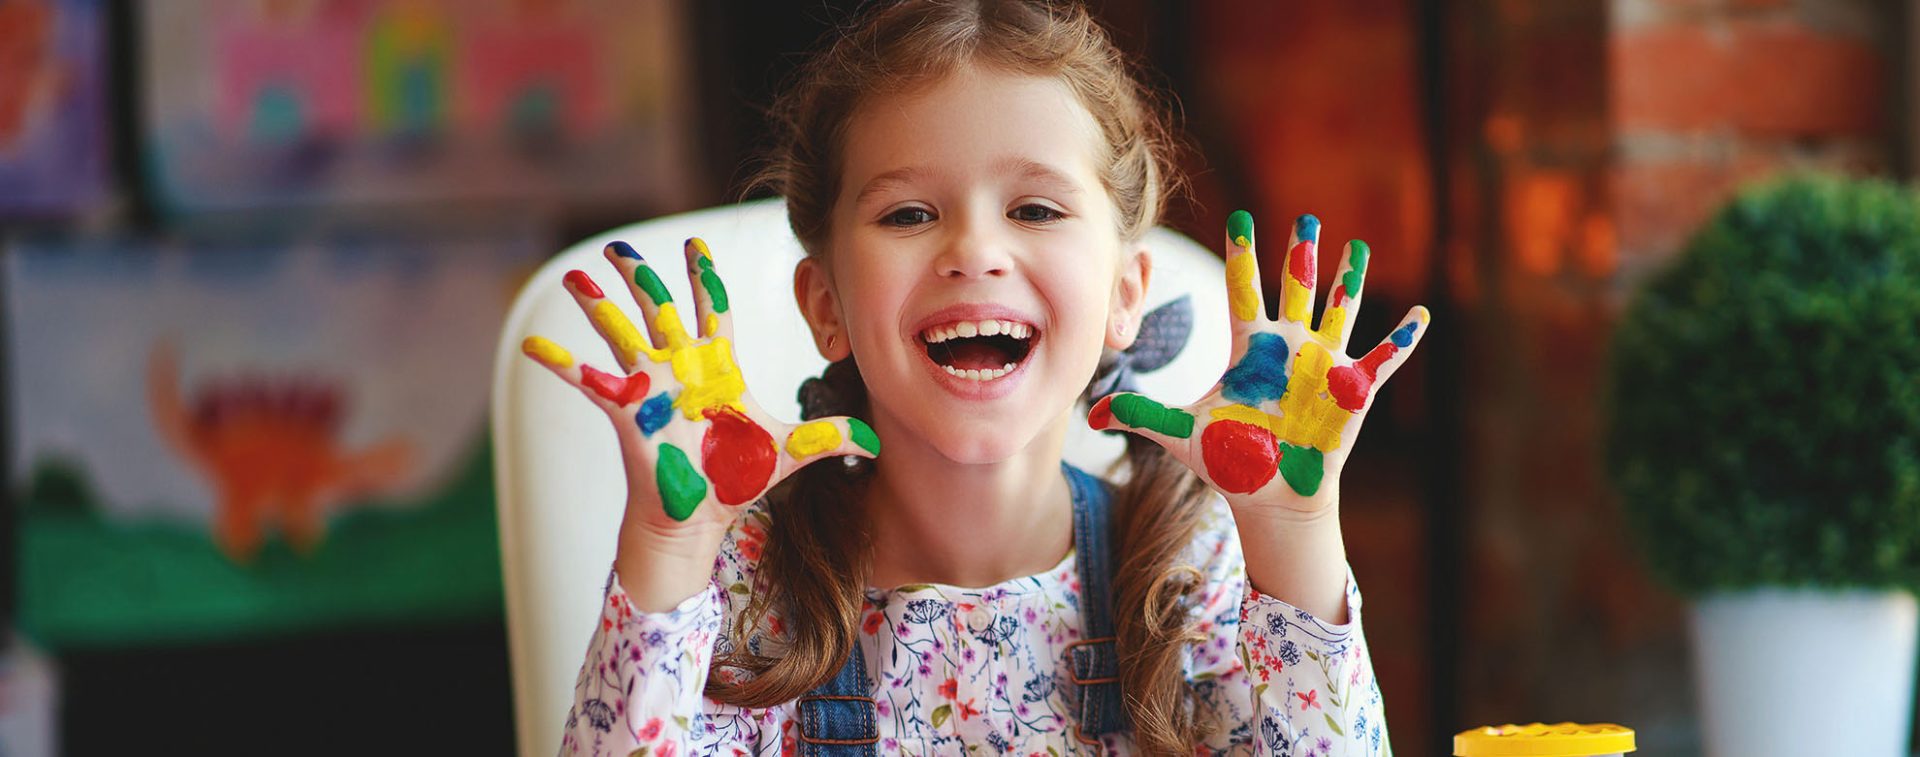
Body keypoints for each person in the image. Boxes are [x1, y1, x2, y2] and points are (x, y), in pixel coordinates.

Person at [520, 1, 1427, 753]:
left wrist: (1295, 532)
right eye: (909, 212)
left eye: (1034, 207)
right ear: (826, 303)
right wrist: (668, 550)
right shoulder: (753, 586)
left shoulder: (1187, 574)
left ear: (1123, 293)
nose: (975, 251)